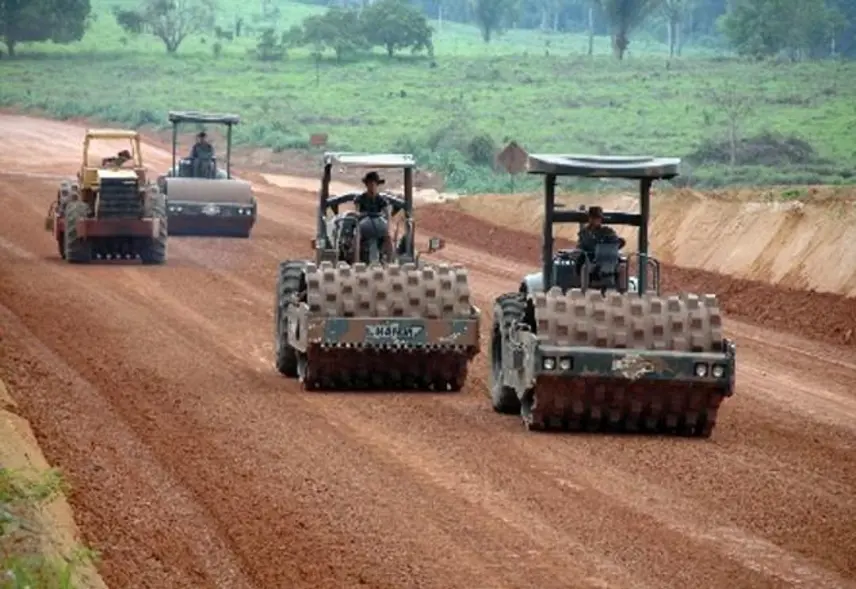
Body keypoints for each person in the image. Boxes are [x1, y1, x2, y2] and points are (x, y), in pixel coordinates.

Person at [354, 171, 395, 260]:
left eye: (374, 184)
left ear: (377, 185)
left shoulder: (382, 200)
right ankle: (356, 261)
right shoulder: (360, 199)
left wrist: (388, 228)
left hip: (378, 224)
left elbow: (387, 214)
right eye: (370, 184)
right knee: (357, 237)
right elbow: (357, 212)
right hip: (364, 225)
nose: (372, 186)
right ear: (366, 185)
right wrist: (360, 215)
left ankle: (390, 261)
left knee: (388, 237)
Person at [576, 206, 625, 275]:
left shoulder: (607, 231)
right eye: (594, 218)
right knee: (581, 263)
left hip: (606, 258)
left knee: (622, 266)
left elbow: (618, 242)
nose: (596, 220)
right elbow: (580, 247)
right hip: (589, 259)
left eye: (598, 218)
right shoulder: (584, 233)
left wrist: (615, 244)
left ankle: (620, 284)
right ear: (589, 218)